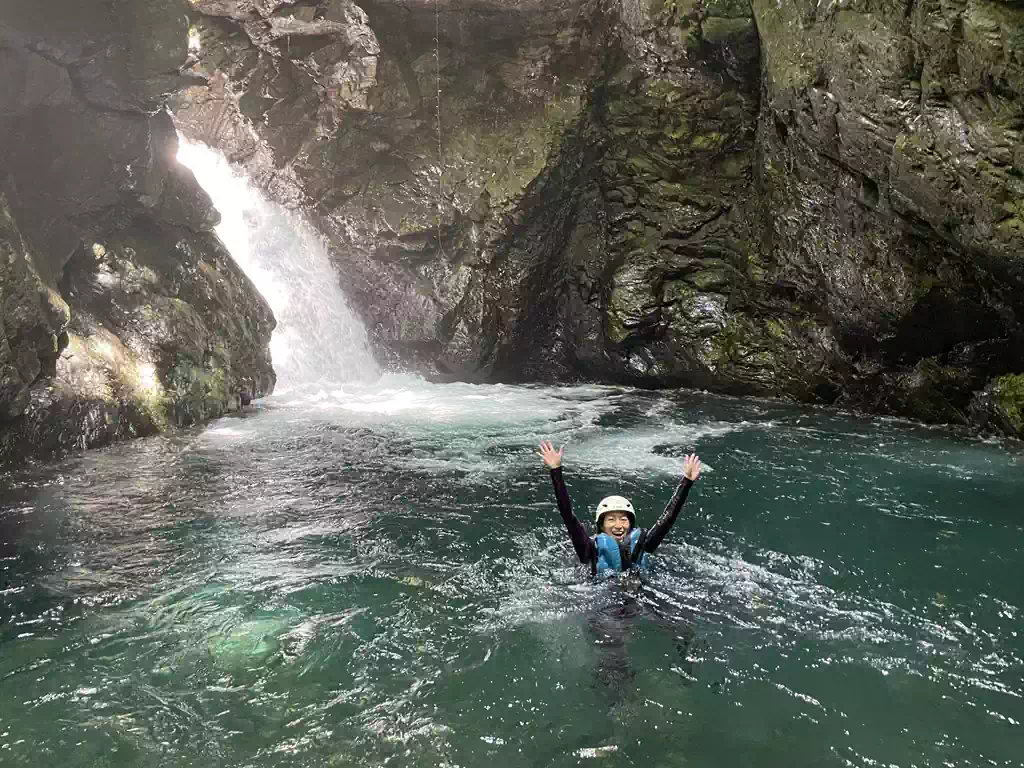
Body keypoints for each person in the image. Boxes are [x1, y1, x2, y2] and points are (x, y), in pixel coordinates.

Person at [537, 441, 701, 577]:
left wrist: (687, 481)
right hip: (599, 604)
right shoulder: (589, 549)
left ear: (631, 524)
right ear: (601, 525)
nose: (618, 525)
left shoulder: (642, 545)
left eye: (623, 519)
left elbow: (668, 518)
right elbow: (568, 516)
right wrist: (555, 471)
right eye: (611, 519)